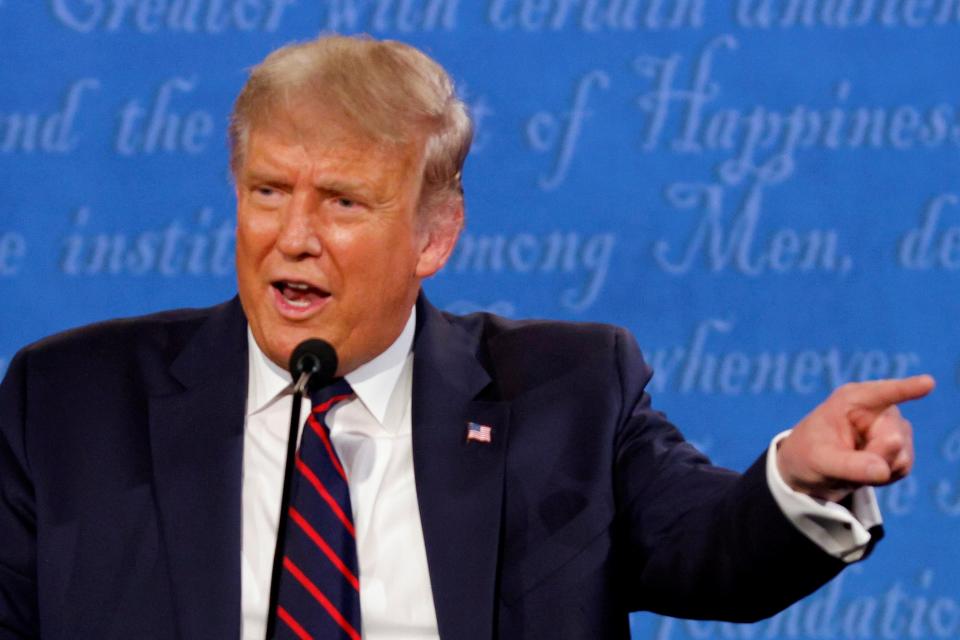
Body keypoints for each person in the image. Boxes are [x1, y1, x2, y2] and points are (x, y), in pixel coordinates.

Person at [0, 35, 933, 640]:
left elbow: (713, 553)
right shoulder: (71, 402)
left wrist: (800, 480)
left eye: (344, 202)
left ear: (434, 235)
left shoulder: (566, 393)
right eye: (268, 191)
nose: (293, 235)